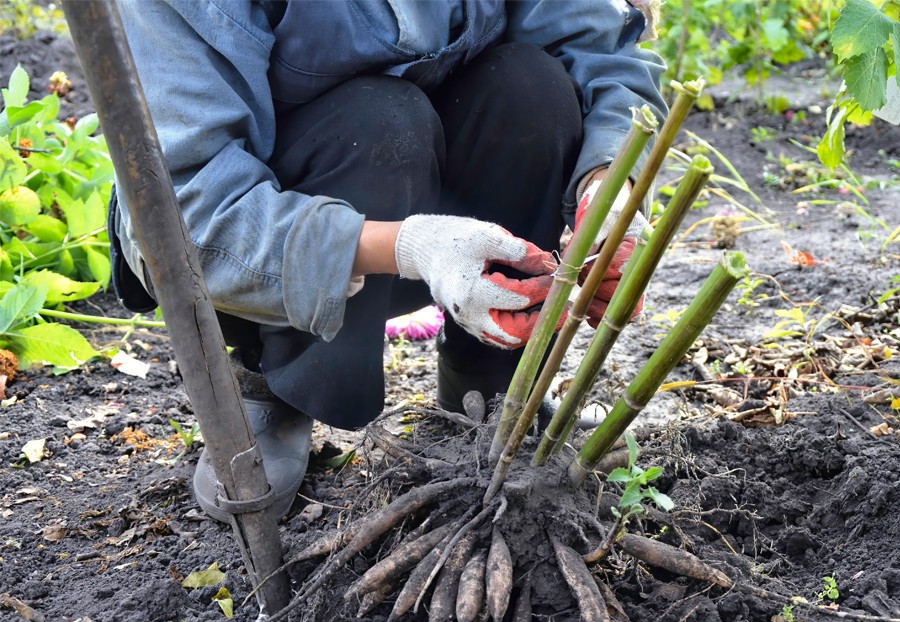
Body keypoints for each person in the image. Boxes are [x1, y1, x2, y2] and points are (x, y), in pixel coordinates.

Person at [109, 0, 667, 522]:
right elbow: (185, 214)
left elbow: (599, 51)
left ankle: (490, 377)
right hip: (277, 236)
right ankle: (272, 374)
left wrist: (608, 184)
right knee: (380, 121)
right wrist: (410, 246)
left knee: (532, 88)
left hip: (450, 199)